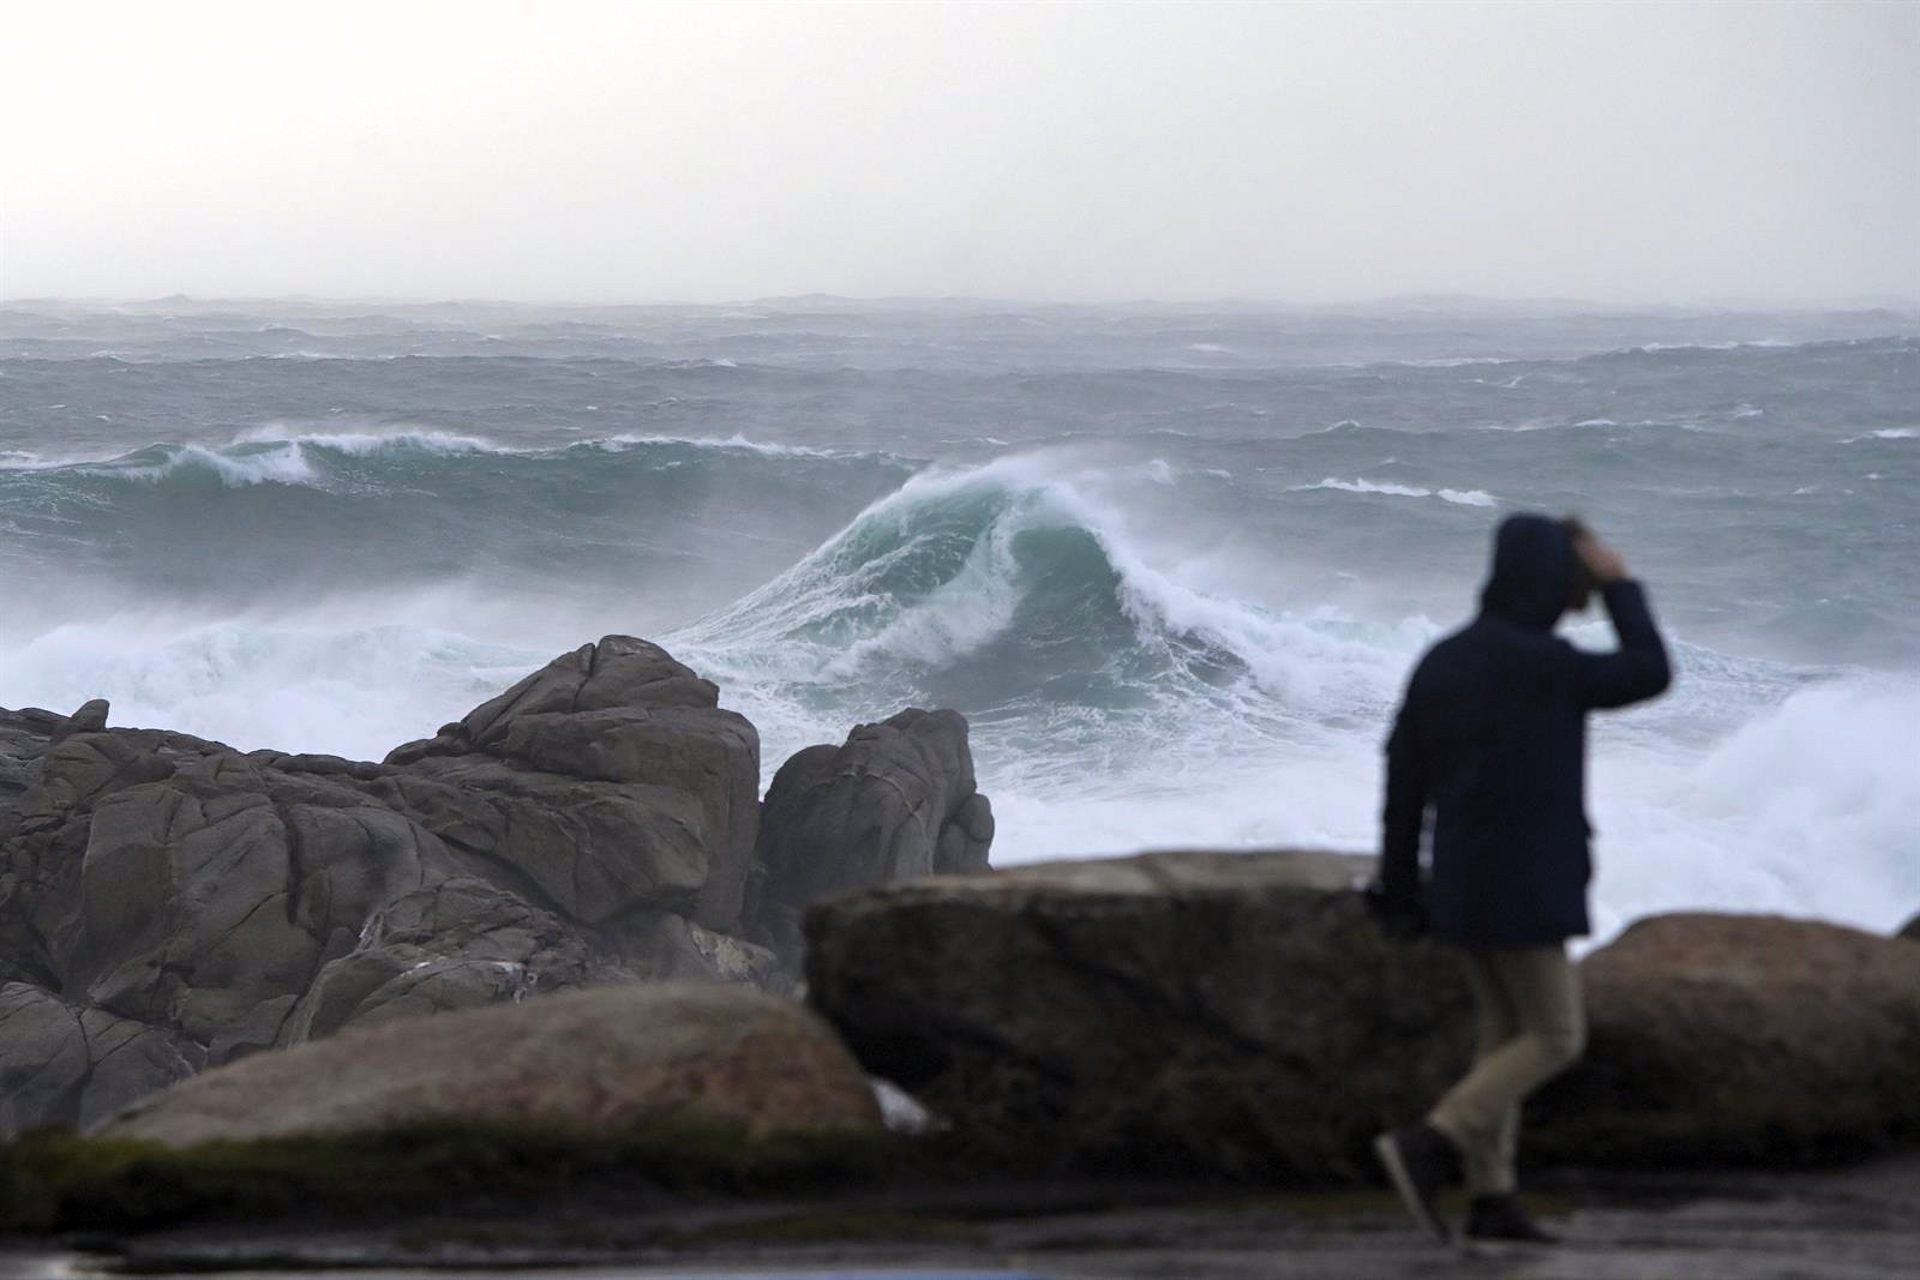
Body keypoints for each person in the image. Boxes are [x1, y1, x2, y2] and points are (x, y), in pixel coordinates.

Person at [1369, 513, 1671, 1246]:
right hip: (1527, 886)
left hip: (1462, 885)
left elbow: (1403, 785)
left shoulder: (1441, 662)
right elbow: (1649, 670)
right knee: (1558, 1036)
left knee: (1503, 1036)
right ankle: (1432, 1142)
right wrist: (1622, 585)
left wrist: (1399, 886)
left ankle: (1491, 1196)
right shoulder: (1549, 666)